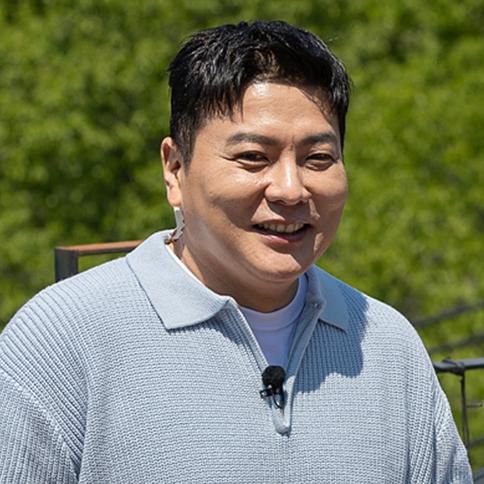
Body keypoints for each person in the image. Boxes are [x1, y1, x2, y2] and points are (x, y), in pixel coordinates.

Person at [0, 20, 472, 483]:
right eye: (252, 158)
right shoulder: (63, 339)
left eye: (318, 159)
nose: (290, 189)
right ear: (175, 169)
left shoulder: (387, 346)